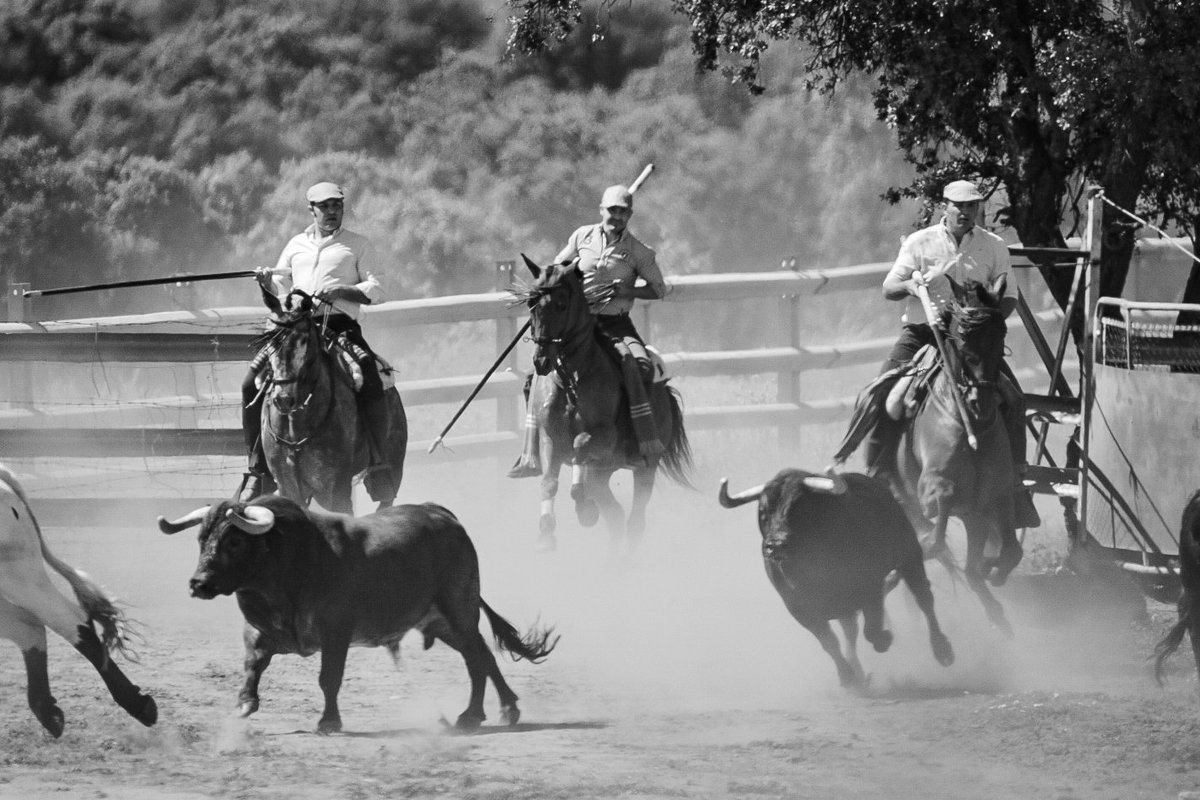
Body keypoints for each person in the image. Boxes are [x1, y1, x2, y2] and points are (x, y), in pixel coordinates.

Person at [850, 178, 1040, 528]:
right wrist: (911, 284)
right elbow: (889, 286)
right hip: (922, 333)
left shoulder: (994, 246)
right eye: (960, 206)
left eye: (972, 206)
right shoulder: (920, 243)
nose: (966, 212)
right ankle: (877, 476)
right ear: (945, 206)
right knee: (878, 396)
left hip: (970, 343)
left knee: (1013, 399)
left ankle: (1014, 484)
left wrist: (988, 322)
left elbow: (1008, 294)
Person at [235, 181, 389, 503]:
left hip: (340, 327)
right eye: (325, 206)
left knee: (368, 375)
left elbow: (378, 289)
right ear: (312, 209)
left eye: (337, 205)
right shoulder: (295, 246)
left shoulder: (358, 245)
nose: (332, 212)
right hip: (295, 330)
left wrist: (342, 291)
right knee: (251, 382)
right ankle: (258, 471)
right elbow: (279, 291)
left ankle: (378, 464)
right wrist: (266, 283)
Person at [507, 183, 667, 477]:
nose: (617, 216)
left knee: (639, 365)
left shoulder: (640, 252)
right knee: (536, 374)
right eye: (612, 210)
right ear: (602, 211)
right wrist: (553, 284)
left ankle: (639, 442)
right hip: (579, 323)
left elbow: (659, 289)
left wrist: (629, 289)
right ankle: (533, 453)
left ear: (630, 215)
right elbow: (557, 268)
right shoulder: (582, 236)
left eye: (623, 212)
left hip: (616, 323)